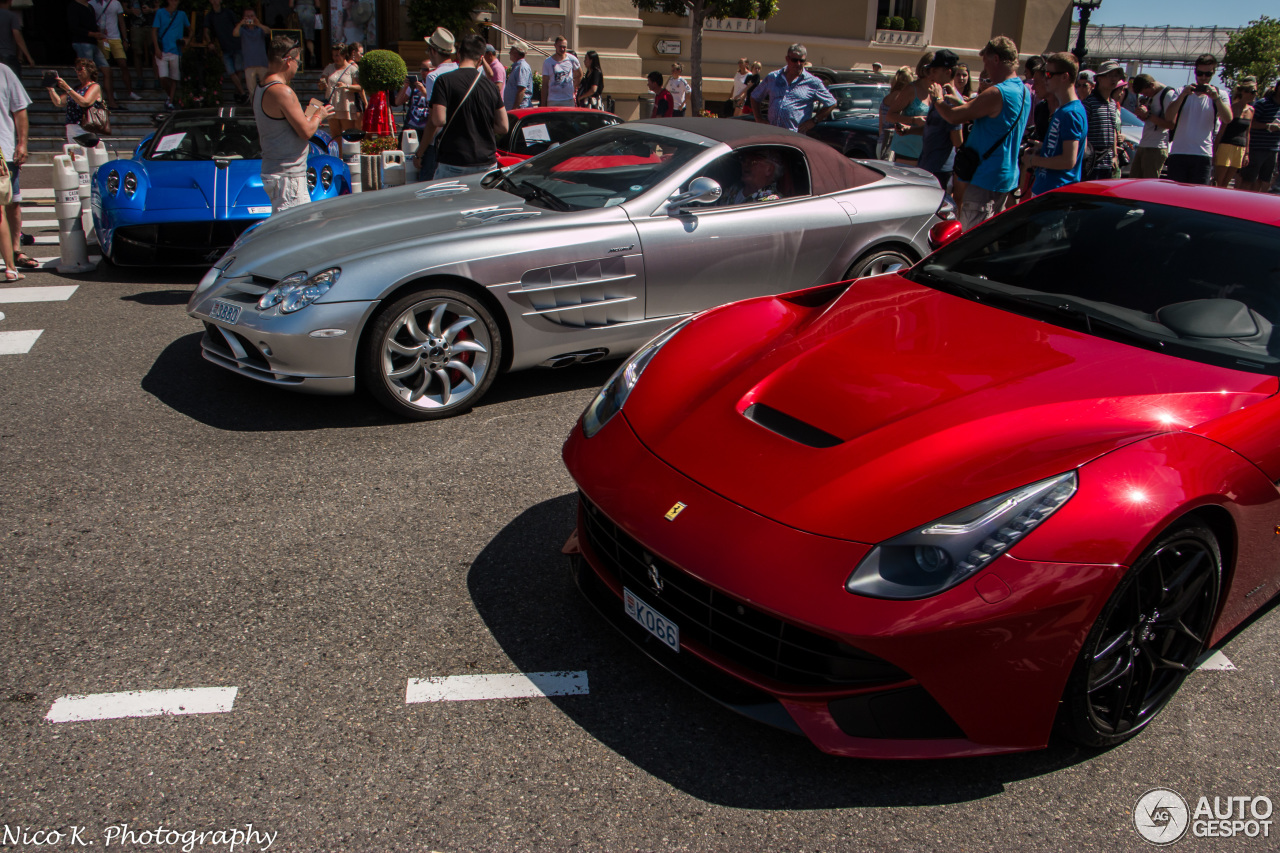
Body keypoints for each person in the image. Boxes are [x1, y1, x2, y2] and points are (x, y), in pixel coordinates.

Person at [932, 36, 1031, 231]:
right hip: (1006, 178)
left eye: (985, 62)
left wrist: (938, 99)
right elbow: (993, 118)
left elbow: (953, 117)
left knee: (972, 240)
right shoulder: (1023, 90)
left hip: (985, 178)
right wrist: (962, 101)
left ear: (996, 59)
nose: (984, 70)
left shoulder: (997, 92)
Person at [253, 34, 333, 213]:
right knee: (296, 233)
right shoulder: (282, 91)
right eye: (298, 62)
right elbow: (306, 132)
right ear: (288, 61)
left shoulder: (261, 87)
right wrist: (319, 115)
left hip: (277, 172)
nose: (298, 67)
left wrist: (308, 115)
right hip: (288, 177)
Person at [427, 34, 507, 181]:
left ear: (459, 53)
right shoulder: (491, 87)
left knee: (449, 204)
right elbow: (503, 127)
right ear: (481, 58)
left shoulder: (443, 81)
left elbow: (438, 120)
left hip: (453, 159)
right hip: (486, 162)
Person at [1166, 53, 1232, 185]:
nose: (1203, 78)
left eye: (1207, 74)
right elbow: (1168, 116)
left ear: (1213, 73)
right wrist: (1183, 95)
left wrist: (1216, 98)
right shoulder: (1181, 91)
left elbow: (1228, 119)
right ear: (1195, 72)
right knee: (1174, 196)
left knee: (1197, 197)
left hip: (1202, 154)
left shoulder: (1220, 94)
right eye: (1200, 73)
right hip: (1179, 152)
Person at [1026, 52, 1086, 196]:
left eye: (1049, 74)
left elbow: (1068, 161)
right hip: (1046, 189)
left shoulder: (1071, 113)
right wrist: (1042, 147)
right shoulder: (1063, 109)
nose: (1045, 79)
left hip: (1056, 192)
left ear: (1064, 77)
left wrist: (1034, 160)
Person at [750, 43, 836, 132]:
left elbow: (831, 103)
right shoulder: (773, 77)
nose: (798, 64)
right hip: (772, 133)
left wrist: (814, 121)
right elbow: (755, 96)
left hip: (794, 136)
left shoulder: (813, 82)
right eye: (794, 60)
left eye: (801, 61)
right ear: (787, 59)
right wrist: (758, 119)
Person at [415, 27, 457, 181]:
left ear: (433, 51)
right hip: (457, 141)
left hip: (438, 143)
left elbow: (434, 121)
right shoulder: (459, 70)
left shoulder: (433, 77)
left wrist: (420, 153)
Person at [918, 49, 964, 190]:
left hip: (941, 169)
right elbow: (934, 128)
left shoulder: (950, 99)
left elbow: (957, 141)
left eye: (934, 71)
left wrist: (939, 101)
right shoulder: (938, 95)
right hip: (928, 164)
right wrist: (909, 130)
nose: (930, 75)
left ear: (947, 72)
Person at [0, 60, 30, 278]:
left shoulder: (4, 72)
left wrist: (22, 143)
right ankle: (10, 264)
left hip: (5, 151)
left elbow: (20, 110)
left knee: (12, 204)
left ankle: (15, 250)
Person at [885, 53, 931, 167]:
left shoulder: (938, 90)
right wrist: (914, 120)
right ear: (926, 69)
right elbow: (890, 115)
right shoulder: (911, 89)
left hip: (928, 150)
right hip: (907, 150)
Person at [1081, 59, 1122, 182]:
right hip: (1092, 162)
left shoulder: (1113, 103)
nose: (1114, 79)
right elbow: (1083, 132)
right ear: (1099, 78)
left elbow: (1113, 130)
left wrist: (1114, 156)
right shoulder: (1089, 103)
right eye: (1110, 75)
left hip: (1108, 162)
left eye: (1116, 76)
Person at [1129, 73, 1176, 179]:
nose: (1145, 96)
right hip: (1144, 144)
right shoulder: (1154, 95)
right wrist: (1143, 116)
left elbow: (1171, 124)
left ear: (1151, 85)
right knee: (1134, 181)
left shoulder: (1168, 95)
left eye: (1145, 93)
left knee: (1148, 184)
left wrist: (1148, 115)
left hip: (1156, 147)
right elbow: (1153, 120)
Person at [91, 0, 136, 108]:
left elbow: (122, 21)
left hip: (115, 37)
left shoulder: (115, 3)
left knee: (123, 64)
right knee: (106, 67)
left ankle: (130, 91)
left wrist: (125, 39)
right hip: (102, 38)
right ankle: (111, 92)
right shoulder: (92, 3)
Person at [1213, 78, 1255, 188]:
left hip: (1240, 148)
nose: (1254, 95)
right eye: (1252, 92)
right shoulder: (1232, 108)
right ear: (1243, 92)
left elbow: (1248, 132)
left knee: (1227, 182)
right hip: (1226, 145)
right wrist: (1215, 149)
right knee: (1219, 181)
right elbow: (1222, 130)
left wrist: (1246, 153)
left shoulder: (1251, 110)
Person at [47, 59, 101, 143]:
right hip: (71, 126)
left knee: (85, 154)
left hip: (85, 127)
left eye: (80, 69)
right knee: (75, 154)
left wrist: (67, 88)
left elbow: (85, 102)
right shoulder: (76, 89)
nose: (78, 72)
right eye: (76, 69)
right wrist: (51, 89)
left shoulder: (94, 86)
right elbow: (59, 102)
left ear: (90, 70)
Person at [1241, 79, 1280, 193]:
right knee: (1248, 179)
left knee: (1263, 180)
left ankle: (1253, 204)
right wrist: (1267, 126)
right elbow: (1250, 123)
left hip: (1273, 149)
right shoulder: (1263, 103)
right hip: (1257, 148)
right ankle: (1240, 203)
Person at [203, 0, 245, 103]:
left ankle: (237, 93)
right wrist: (209, 43)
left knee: (238, 70)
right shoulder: (210, 16)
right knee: (231, 71)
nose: (216, 2)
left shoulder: (228, 12)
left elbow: (237, 25)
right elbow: (206, 31)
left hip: (236, 44)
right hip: (224, 47)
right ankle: (243, 93)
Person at [151, 0, 189, 109]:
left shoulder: (182, 14)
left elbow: (190, 29)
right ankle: (170, 97)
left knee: (174, 77)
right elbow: (154, 31)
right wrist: (157, 48)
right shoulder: (160, 12)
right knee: (163, 77)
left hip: (176, 50)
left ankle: (170, 100)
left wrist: (187, 41)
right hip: (162, 49)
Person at [326, 42, 363, 136]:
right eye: (333, 55)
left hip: (346, 106)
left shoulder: (352, 69)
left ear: (344, 55)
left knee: (349, 135)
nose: (335, 58)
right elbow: (322, 82)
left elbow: (359, 87)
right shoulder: (329, 68)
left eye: (337, 55)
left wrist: (346, 86)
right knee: (335, 135)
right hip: (332, 105)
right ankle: (337, 151)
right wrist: (322, 83)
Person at [396, 57, 432, 148]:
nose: (423, 72)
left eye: (426, 69)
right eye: (421, 69)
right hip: (412, 125)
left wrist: (423, 91)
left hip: (427, 127)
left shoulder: (436, 85)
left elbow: (435, 101)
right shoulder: (414, 86)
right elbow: (397, 102)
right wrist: (405, 87)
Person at [234, 8, 270, 95]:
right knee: (252, 90)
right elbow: (235, 33)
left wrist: (258, 24)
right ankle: (254, 107)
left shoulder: (260, 29)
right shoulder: (243, 30)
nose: (250, 18)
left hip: (262, 63)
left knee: (266, 88)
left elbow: (269, 31)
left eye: (252, 16)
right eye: (247, 16)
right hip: (249, 64)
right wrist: (240, 24)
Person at [540, 36, 579, 108]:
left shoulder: (572, 59)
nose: (562, 49)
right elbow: (545, 84)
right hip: (553, 100)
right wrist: (543, 104)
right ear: (555, 46)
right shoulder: (548, 62)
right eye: (560, 46)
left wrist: (574, 87)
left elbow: (580, 74)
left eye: (564, 47)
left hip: (568, 100)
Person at [0, 0, 32, 78]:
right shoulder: (11, 16)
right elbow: (18, 37)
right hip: (7, 54)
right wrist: (28, 57)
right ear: (10, 2)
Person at [505, 42, 532, 111]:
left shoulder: (522, 67)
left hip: (520, 109)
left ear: (516, 52)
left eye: (511, 50)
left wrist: (514, 109)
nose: (509, 53)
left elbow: (521, 90)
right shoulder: (517, 66)